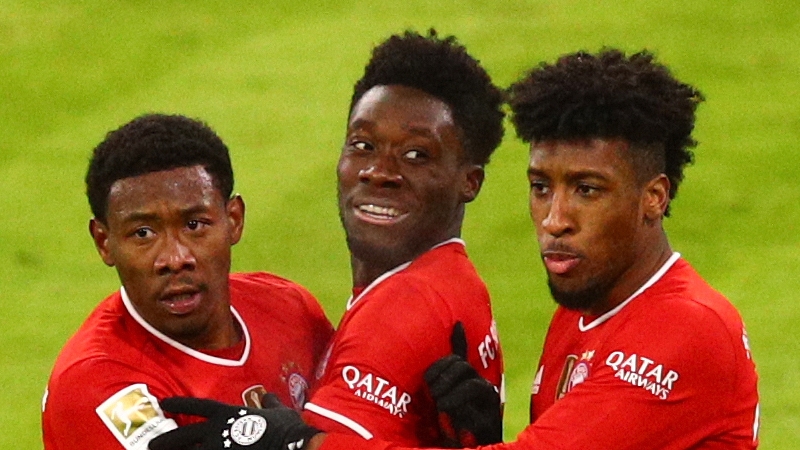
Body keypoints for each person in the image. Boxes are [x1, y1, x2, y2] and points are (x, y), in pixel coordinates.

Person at [148, 48, 760, 450]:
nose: (555, 220)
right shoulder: (585, 310)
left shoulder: (683, 329)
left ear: (653, 197)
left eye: (588, 190)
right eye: (541, 187)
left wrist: (299, 442)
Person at [149, 29, 506, 450]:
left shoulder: (402, 308)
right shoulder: (456, 282)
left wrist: (286, 441)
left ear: (469, 181)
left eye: (416, 155)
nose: (378, 172)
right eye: (363, 145)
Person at [41, 113, 334, 450]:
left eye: (195, 225)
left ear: (233, 220)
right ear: (104, 242)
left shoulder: (289, 308)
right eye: (143, 233)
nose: (175, 258)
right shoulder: (97, 385)